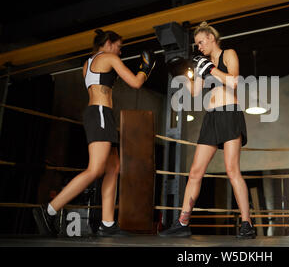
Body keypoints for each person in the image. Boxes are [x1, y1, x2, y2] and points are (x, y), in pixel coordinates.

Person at [33, 29, 155, 236]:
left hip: (97, 114)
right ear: (108, 42)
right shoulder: (109, 57)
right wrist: (146, 68)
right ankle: (50, 210)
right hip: (100, 113)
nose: (120, 50)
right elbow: (136, 82)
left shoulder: (87, 63)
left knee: (113, 167)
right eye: (119, 46)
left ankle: (107, 224)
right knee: (95, 169)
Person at [159, 21, 255, 239]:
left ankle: (247, 224)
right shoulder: (203, 63)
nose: (199, 47)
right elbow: (194, 92)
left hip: (230, 113)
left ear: (211, 38)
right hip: (211, 118)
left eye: (201, 42)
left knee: (232, 170)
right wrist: (181, 73)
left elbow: (234, 82)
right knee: (195, 172)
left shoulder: (228, 54)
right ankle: (182, 223)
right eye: (197, 44)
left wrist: (209, 68)